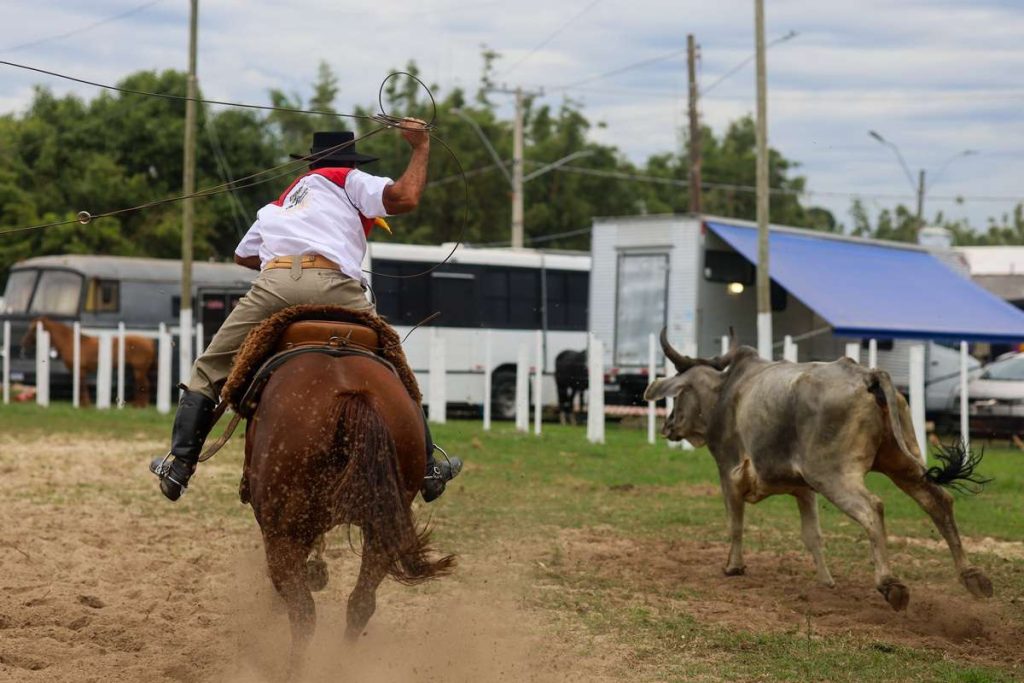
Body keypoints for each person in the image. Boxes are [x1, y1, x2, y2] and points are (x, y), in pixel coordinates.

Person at [151, 119, 461, 503]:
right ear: (351, 161)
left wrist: (284, 260)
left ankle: (179, 465)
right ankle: (428, 465)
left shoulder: (279, 203)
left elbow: (242, 255)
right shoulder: (349, 178)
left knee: (210, 369)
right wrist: (420, 148)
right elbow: (406, 197)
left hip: (276, 285)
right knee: (393, 362)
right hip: (337, 286)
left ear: (309, 163)